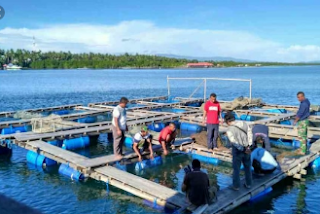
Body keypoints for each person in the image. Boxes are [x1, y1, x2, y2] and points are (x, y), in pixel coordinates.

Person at [224, 112, 252, 191]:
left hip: (238, 151)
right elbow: (250, 134)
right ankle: (248, 184)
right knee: (247, 167)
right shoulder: (244, 123)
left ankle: (236, 186)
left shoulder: (229, 130)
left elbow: (234, 142)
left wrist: (242, 149)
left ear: (228, 121)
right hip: (247, 149)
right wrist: (248, 147)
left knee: (236, 169)